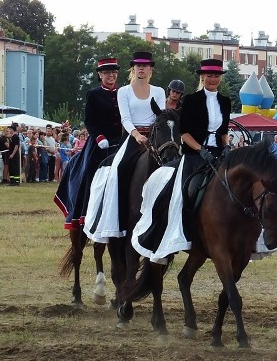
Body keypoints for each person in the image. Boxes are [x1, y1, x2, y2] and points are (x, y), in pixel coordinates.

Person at [131, 58, 231, 263]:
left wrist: (226, 146)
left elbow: (223, 131)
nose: (212, 79)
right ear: (202, 77)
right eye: (209, 75)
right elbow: (184, 133)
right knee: (178, 194)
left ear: (219, 79)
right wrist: (200, 149)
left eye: (216, 76)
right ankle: (166, 236)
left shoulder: (225, 101)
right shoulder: (192, 101)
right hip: (195, 154)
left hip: (218, 153)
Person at [84, 51, 165, 242]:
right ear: (133, 69)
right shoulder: (124, 91)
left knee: (171, 167)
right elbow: (125, 118)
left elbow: (161, 116)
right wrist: (136, 135)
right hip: (132, 137)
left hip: (154, 136)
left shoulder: (159, 91)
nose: (141, 68)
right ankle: (118, 217)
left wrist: (152, 135)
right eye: (138, 66)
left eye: (145, 66)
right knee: (118, 169)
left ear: (150, 69)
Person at [54, 57, 123, 230]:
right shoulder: (94, 94)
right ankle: (83, 212)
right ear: (100, 75)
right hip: (99, 142)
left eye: (114, 72)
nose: (111, 76)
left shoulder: (123, 92)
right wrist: (99, 138)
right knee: (89, 171)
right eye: (107, 73)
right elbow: (89, 121)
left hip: (121, 140)